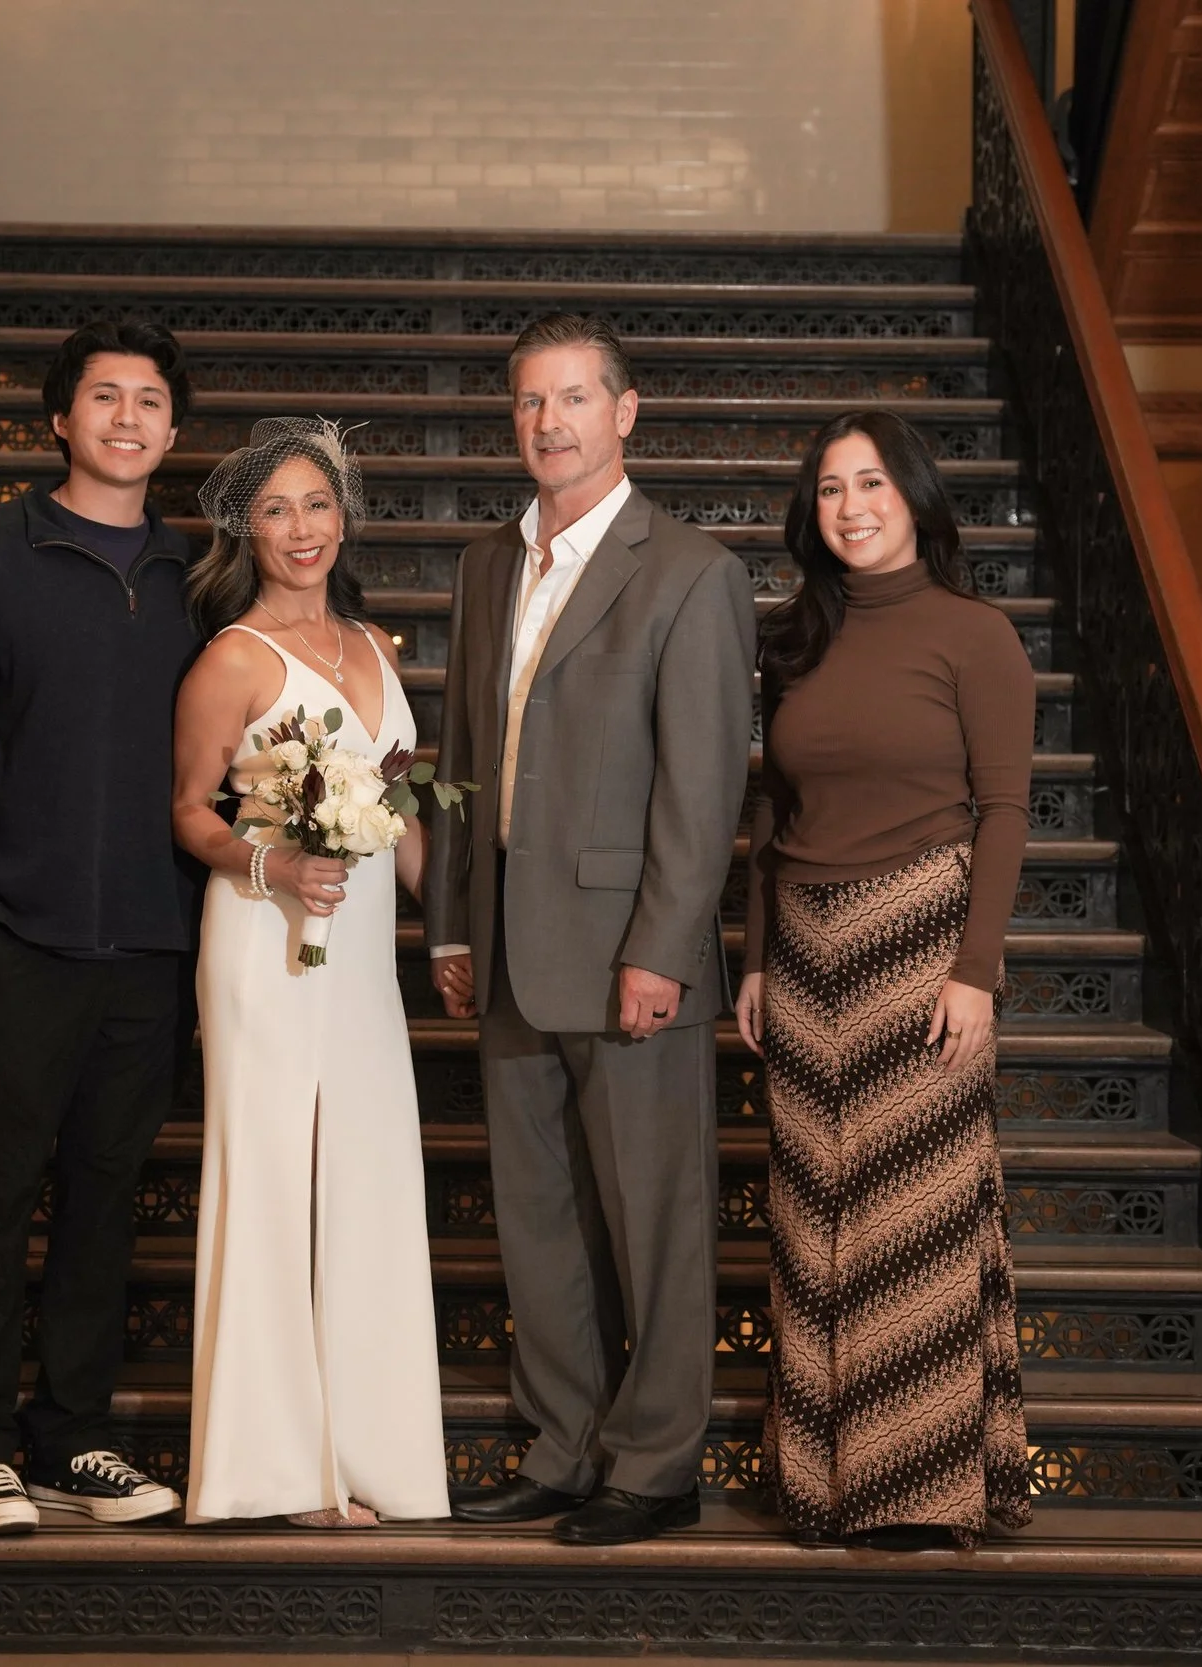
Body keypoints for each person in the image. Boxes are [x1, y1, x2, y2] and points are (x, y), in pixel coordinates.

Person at [425, 315, 757, 1547]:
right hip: (507, 945)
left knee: (655, 1220)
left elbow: (702, 789)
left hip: (629, 955)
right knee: (539, 1220)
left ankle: (656, 1463)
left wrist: (661, 948)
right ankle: (561, 1447)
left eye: (572, 397)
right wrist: (449, 927)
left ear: (624, 413)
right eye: (528, 401)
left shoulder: (690, 572)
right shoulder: (484, 567)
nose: (547, 421)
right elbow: (463, 755)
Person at [0, 319, 198, 1535]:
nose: (127, 417)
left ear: (173, 430)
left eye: (149, 400)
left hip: (153, 946)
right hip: (19, 942)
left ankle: (73, 1434)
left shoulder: (195, 576)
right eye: (104, 396)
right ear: (60, 419)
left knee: (104, 1198)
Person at [735, 408, 1037, 1550]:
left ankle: (919, 1483)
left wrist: (976, 972)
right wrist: (754, 958)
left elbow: (1004, 811)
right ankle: (821, 1481)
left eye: (870, 483)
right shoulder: (792, 641)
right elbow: (772, 815)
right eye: (829, 488)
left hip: (922, 945)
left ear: (913, 495)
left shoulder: (975, 635)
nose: (850, 506)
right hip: (804, 953)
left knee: (913, 1217)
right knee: (812, 1215)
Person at [169, 417, 452, 1528]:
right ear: (247, 528)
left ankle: (374, 1452)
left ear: (345, 517)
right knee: (273, 1179)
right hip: (262, 939)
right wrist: (274, 862)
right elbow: (188, 810)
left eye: (318, 504)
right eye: (276, 509)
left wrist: (452, 933)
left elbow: (404, 810)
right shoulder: (232, 657)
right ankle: (276, 1469)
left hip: (363, 956)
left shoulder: (376, 643)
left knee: (371, 1177)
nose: (301, 527)